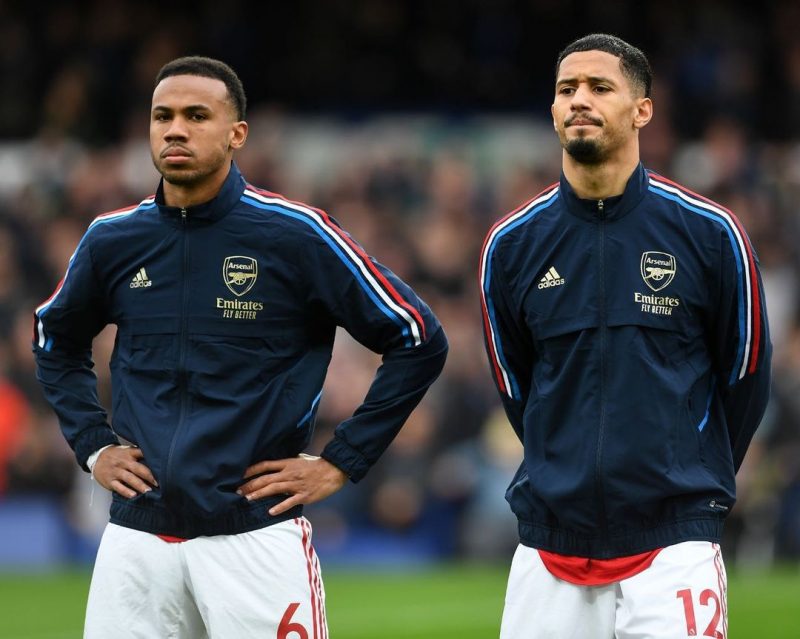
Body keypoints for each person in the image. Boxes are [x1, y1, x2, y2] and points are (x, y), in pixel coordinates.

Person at [33, 56, 448, 638]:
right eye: (163, 116)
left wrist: (341, 461)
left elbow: (417, 338)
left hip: (253, 537)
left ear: (237, 135)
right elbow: (55, 339)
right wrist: (94, 444)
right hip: (136, 544)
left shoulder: (296, 234)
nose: (175, 129)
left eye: (196, 115)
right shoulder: (112, 240)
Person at [479, 34, 771, 638]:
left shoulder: (711, 234)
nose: (579, 100)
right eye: (566, 90)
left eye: (599, 87)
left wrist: (687, 467)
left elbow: (745, 377)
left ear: (642, 110)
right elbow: (517, 386)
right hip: (551, 541)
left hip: (675, 542)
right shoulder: (511, 246)